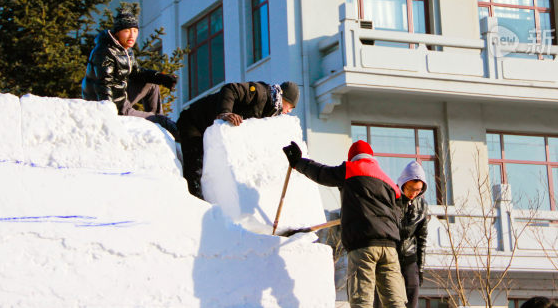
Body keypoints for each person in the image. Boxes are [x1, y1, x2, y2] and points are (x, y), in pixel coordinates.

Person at [282, 139, 406, 308]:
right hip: (390, 247)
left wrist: (298, 162)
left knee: (361, 300)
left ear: (352, 157)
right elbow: (399, 210)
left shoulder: (351, 169)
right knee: (395, 301)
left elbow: (322, 173)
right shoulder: (388, 181)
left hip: (364, 245)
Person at [178, 80, 300, 199]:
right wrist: (225, 112)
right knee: (196, 167)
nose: (289, 111)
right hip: (194, 121)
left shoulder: (270, 111)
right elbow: (230, 89)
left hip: (210, 132)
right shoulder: (260, 92)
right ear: (283, 98)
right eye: (290, 106)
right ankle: (196, 206)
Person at [81, 9, 177, 134]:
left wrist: (161, 77)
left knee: (151, 83)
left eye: (135, 31)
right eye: (127, 31)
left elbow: (136, 72)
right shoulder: (105, 51)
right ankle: (162, 124)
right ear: (117, 33)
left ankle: (158, 125)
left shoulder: (124, 48)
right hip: (112, 106)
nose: (132, 35)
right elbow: (103, 84)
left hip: (120, 96)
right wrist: (108, 114)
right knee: (163, 121)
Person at [395, 161, 429, 308]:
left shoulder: (422, 205)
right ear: (403, 183)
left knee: (412, 299)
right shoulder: (391, 200)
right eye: (411, 189)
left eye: (418, 190)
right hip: (391, 257)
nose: (414, 193)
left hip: (410, 258)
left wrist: (420, 268)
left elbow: (422, 239)